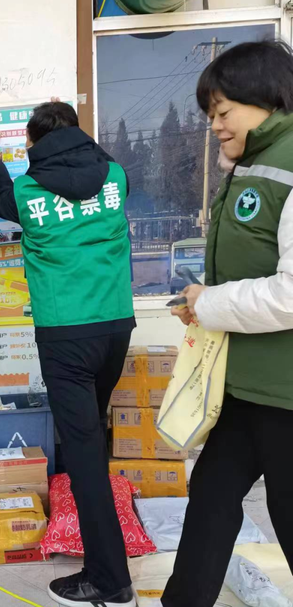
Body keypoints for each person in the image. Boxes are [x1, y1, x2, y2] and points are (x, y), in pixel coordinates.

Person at [0, 101, 136, 607]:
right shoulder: (116, 177)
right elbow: (92, 168)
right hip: (115, 327)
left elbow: (1, 198)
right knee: (91, 439)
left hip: (65, 336)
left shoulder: (27, 191)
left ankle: (109, 579)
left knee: (82, 452)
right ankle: (102, 537)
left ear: (34, 144)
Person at [163, 40, 293, 607]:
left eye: (222, 112)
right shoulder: (253, 164)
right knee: (212, 496)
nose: (214, 126)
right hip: (245, 386)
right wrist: (203, 303)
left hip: (286, 395)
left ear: (266, 98)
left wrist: (210, 301)